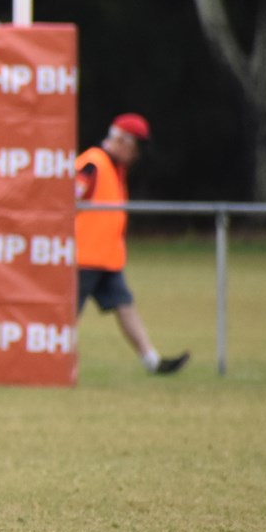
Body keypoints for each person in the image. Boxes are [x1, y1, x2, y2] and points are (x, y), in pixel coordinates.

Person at [75, 113, 188, 375]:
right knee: (67, 316)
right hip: (83, 257)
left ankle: (152, 362)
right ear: (122, 141)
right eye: (136, 148)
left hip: (105, 257)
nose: (137, 156)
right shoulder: (93, 164)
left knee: (125, 306)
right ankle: (50, 362)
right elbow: (68, 198)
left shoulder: (112, 168)